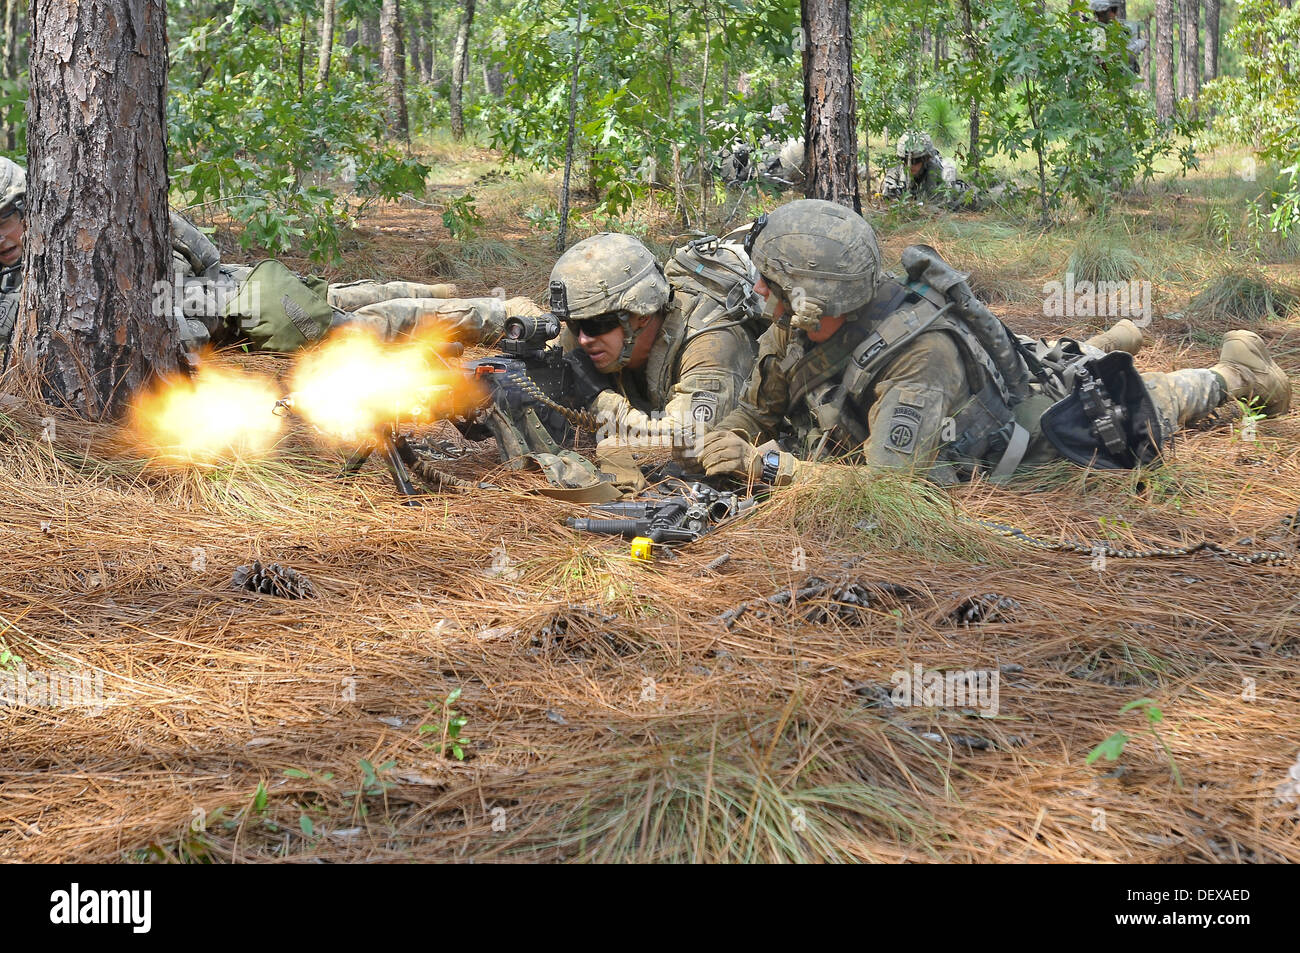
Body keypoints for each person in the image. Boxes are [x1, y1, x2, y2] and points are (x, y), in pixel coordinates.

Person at [681, 199, 1292, 487]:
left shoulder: (919, 359)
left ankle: (1235, 371)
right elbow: (759, 409)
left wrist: (768, 466)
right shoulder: (800, 326)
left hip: (1041, 431)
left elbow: (892, 488)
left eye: (771, 280)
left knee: (1138, 399)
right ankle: (1113, 338)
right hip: (1009, 368)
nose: (758, 288)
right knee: (1061, 353)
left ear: (815, 295)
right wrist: (728, 435)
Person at [0, 156, 533, 368]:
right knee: (346, 296)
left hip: (251, 305)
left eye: (6, 221)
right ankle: (486, 303)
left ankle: (498, 315)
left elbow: (187, 276)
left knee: (355, 324)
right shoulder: (39, 265)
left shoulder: (91, 235)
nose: (3, 238)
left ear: (29, 207)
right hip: (243, 293)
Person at [880, 131, 966, 203]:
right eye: (906, 160)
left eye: (916, 161)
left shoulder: (937, 172)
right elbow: (887, 191)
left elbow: (941, 204)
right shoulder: (897, 168)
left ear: (926, 159)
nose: (910, 165)